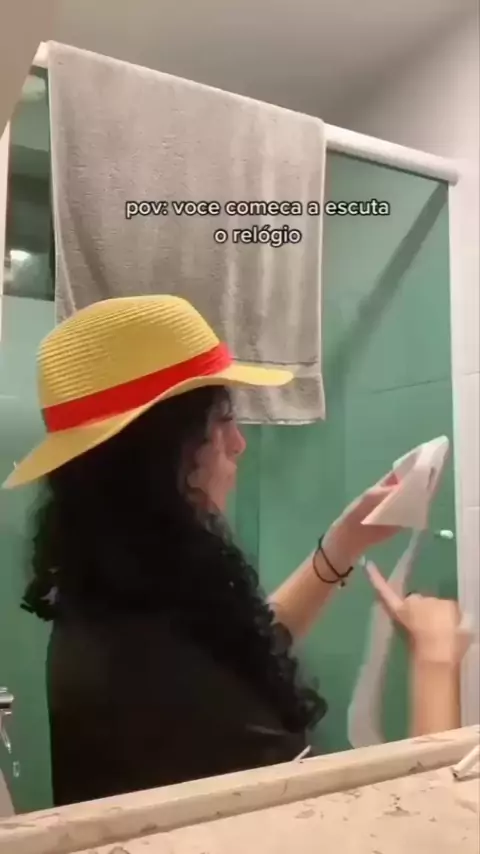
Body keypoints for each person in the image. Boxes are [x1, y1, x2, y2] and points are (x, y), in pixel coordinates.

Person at [3, 294, 469, 806]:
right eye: (223, 419)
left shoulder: (114, 596)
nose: (239, 443)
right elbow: (406, 828)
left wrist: (345, 541)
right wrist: (437, 656)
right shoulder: (155, 667)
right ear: (163, 453)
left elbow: (243, 647)